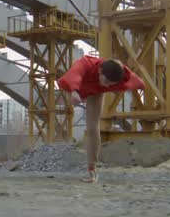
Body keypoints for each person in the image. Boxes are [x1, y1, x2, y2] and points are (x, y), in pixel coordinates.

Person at [57, 55, 145, 183]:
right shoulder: (86, 63)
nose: (108, 86)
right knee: (68, 87)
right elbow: (74, 75)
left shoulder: (121, 75)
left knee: (93, 128)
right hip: (76, 85)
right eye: (106, 82)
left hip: (94, 92)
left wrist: (142, 87)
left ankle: (92, 170)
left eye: (111, 84)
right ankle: (74, 92)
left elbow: (139, 82)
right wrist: (75, 92)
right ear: (100, 71)